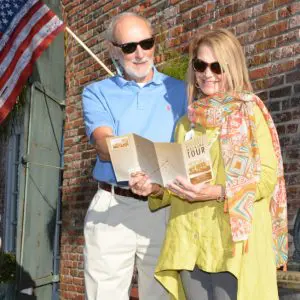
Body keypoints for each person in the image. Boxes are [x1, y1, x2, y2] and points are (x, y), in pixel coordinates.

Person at [129, 28, 288, 300]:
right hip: (190, 242)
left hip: (235, 244)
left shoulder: (250, 112)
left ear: (232, 67)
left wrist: (215, 192)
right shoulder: (186, 124)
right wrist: (154, 188)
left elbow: (266, 180)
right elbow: (177, 180)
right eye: (200, 64)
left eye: (217, 66)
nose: (207, 73)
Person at [81, 12, 187, 300]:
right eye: (129, 47)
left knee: (164, 295)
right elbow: (102, 143)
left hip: (162, 208)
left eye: (146, 43)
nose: (140, 53)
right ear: (114, 50)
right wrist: (131, 165)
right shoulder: (96, 92)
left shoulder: (181, 91)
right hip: (112, 206)